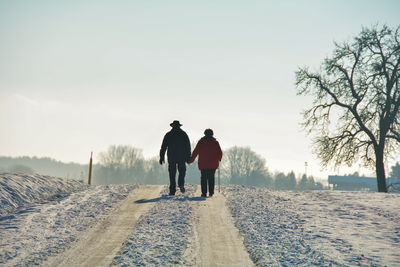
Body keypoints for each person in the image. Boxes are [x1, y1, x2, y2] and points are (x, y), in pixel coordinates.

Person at [159, 120, 191, 195]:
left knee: (172, 173)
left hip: (171, 157)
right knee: (182, 172)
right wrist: (188, 157)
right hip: (181, 157)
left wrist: (161, 157)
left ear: (172, 126)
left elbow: (163, 147)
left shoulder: (168, 134)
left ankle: (172, 189)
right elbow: (187, 147)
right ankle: (181, 184)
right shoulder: (183, 134)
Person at [189, 128, 223, 197]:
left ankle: (204, 193)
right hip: (213, 164)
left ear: (205, 134)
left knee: (203, 178)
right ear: (212, 134)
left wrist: (191, 160)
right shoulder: (215, 142)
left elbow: (195, 152)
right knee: (211, 178)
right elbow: (219, 152)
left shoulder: (201, 142)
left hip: (203, 164)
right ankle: (211, 192)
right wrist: (219, 158)